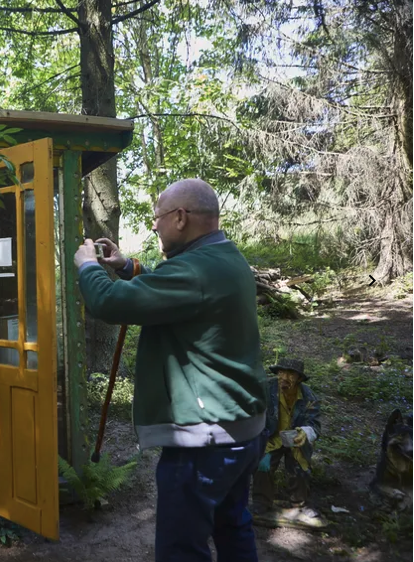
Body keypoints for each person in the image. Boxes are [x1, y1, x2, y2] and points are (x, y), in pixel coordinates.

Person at [74, 179, 267, 562]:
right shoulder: (224, 257)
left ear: (180, 218)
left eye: (157, 217)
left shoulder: (196, 271)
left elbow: (110, 303)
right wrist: (127, 266)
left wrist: (88, 267)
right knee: (232, 526)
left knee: (182, 549)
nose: (154, 225)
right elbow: (173, 291)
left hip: (205, 440)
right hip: (240, 428)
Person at [253, 358, 325, 528]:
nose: (284, 377)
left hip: (295, 440)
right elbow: (253, 410)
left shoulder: (309, 398)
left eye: (290, 374)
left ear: (299, 378)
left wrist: (305, 433)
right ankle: (260, 503)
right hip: (272, 438)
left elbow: (314, 425)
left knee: (300, 467)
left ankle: (299, 504)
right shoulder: (266, 389)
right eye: (281, 372)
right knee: (262, 466)